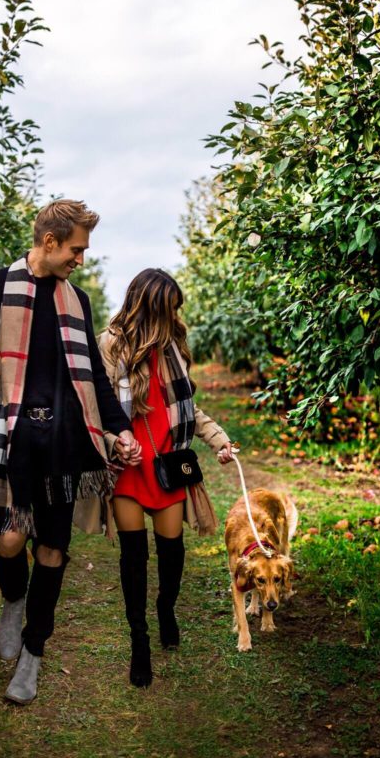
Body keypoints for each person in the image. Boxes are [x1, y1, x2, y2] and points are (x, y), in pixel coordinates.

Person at [0, 200, 141, 705]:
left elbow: (94, 374)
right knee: (8, 541)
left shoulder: (78, 300)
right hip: (12, 437)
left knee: (51, 548)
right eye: (76, 249)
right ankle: (13, 598)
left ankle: (33, 650)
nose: (81, 259)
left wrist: (117, 431)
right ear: (49, 242)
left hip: (67, 443)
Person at [94, 268, 234, 688]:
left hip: (168, 464)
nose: (175, 315)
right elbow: (97, 407)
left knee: (172, 552)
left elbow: (190, 407)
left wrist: (218, 439)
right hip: (128, 467)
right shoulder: (111, 344)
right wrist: (113, 441)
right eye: (169, 307)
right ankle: (140, 642)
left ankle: (166, 607)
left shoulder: (171, 347)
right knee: (133, 558)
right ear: (152, 305)